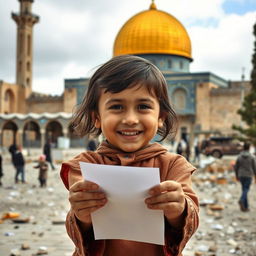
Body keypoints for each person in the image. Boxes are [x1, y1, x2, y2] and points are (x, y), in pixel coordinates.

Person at [60, 55, 199, 256]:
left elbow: (190, 222)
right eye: (116, 107)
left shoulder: (173, 166)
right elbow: (79, 231)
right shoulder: (84, 166)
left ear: (161, 117)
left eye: (143, 106)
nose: (131, 119)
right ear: (97, 117)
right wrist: (82, 213)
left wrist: (179, 209)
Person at [234, 142, 256, 212]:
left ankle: (245, 207)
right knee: (246, 190)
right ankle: (241, 200)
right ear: (249, 148)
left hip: (241, 175)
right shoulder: (252, 157)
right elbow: (254, 167)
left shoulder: (239, 156)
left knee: (244, 190)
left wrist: (236, 175)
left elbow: (236, 167)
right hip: (249, 175)